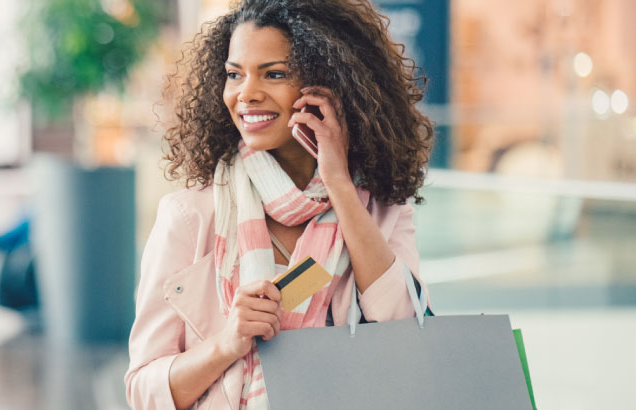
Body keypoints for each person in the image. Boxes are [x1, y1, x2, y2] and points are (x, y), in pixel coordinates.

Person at [124, 0, 435, 408]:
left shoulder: (382, 213)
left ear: (330, 85)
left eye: (274, 74)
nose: (246, 94)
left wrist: (338, 182)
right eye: (234, 75)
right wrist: (227, 342)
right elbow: (143, 390)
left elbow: (408, 336)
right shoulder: (189, 216)